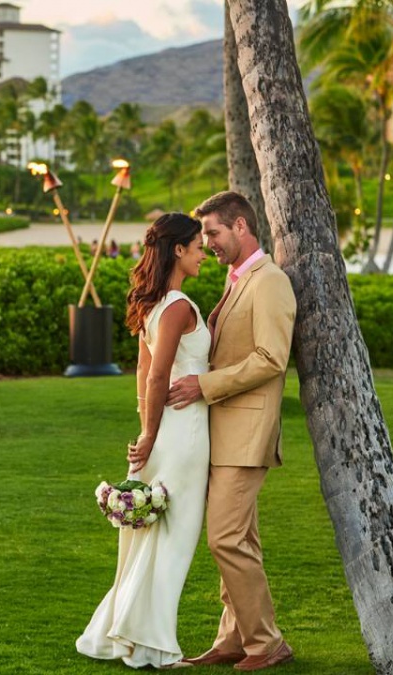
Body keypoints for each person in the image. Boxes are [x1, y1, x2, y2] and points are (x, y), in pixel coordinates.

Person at [165, 191, 297, 671]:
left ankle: (266, 642)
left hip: (247, 433)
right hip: (223, 433)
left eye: (214, 233)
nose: (209, 244)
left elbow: (271, 358)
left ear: (241, 226)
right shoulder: (237, 278)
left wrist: (204, 385)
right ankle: (234, 637)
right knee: (240, 539)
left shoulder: (270, 281)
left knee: (224, 538)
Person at [76, 212, 210, 669]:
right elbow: (154, 375)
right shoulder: (177, 306)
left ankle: (132, 634)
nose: (203, 254)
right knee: (175, 539)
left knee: (156, 534)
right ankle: (153, 645)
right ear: (178, 249)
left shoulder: (153, 304)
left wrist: (146, 429)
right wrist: (150, 434)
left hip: (166, 431)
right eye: (197, 247)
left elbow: (142, 371)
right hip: (184, 432)